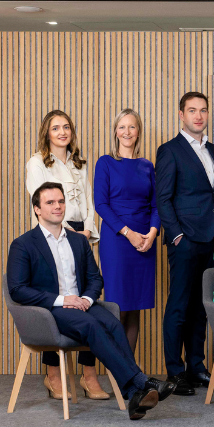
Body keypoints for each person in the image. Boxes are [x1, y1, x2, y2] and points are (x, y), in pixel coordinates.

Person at [6, 182, 176, 420]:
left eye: (61, 201)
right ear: (37, 209)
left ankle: (135, 394)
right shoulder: (23, 244)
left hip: (83, 305)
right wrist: (63, 299)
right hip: (51, 310)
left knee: (114, 324)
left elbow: (95, 278)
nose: (58, 206)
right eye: (50, 202)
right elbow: (17, 289)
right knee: (91, 326)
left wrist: (86, 298)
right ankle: (141, 381)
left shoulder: (78, 241)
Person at [25, 110, 106, 400]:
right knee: (54, 299)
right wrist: (64, 233)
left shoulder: (79, 163)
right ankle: (54, 376)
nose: (62, 132)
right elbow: (43, 202)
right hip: (55, 234)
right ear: (47, 133)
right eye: (56, 128)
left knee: (87, 299)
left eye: (66, 127)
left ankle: (88, 375)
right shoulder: (37, 162)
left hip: (81, 235)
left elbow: (88, 200)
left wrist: (87, 232)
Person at [156, 91, 214, 395]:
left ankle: (196, 367)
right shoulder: (169, 150)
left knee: (202, 306)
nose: (198, 116)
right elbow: (163, 198)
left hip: (212, 238)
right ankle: (175, 373)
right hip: (184, 239)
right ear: (180, 114)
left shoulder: (212, 149)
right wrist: (177, 236)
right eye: (192, 110)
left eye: (203, 110)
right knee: (178, 305)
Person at [94, 109, 159, 353]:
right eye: (122, 127)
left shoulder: (147, 165)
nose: (127, 132)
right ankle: (119, 372)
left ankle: (130, 372)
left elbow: (156, 205)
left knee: (135, 307)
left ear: (138, 131)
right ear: (115, 131)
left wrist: (152, 234)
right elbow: (101, 204)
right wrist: (128, 233)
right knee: (118, 305)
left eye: (132, 127)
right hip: (118, 240)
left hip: (145, 242)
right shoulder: (106, 162)